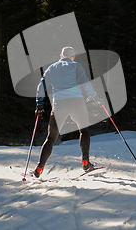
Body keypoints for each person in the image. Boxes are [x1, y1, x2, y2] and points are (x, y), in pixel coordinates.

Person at [32, 46, 103, 178]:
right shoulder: (76, 66)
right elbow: (85, 83)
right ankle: (85, 161)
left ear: (61, 56)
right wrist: (95, 98)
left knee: (51, 138)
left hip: (59, 104)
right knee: (84, 131)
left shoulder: (52, 68)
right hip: (77, 102)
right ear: (73, 56)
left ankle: (39, 168)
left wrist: (39, 104)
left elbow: (41, 86)